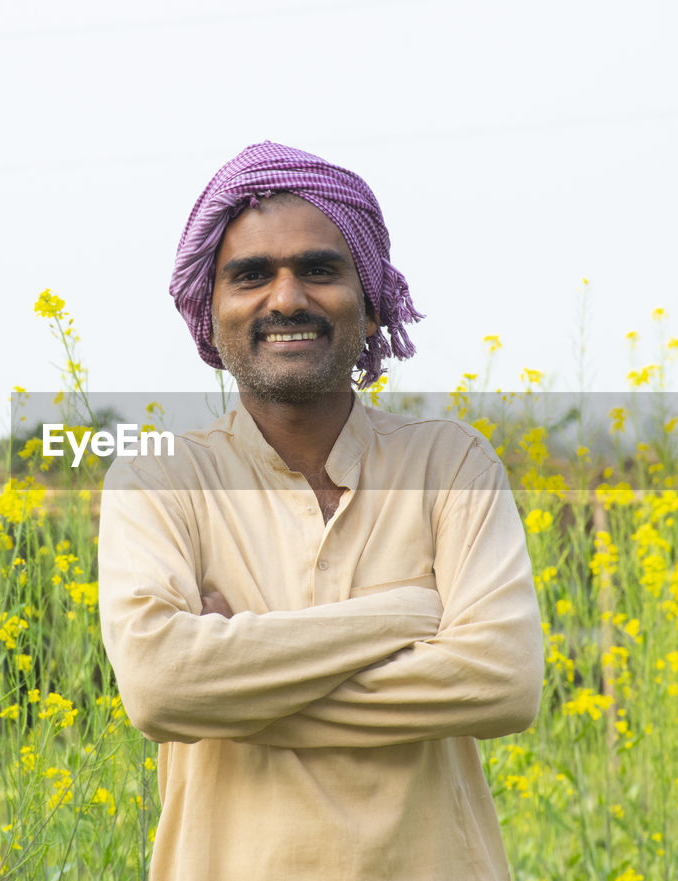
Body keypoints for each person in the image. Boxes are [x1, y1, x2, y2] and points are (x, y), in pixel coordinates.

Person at [97, 141, 544, 880]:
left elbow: (502, 679)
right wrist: (405, 612)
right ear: (210, 315)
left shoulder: (452, 463)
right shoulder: (158, 479)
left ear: (370, 306)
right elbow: (161, 687)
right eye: (250, 275)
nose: (286, 298)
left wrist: (238, 682)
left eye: (319, 269)